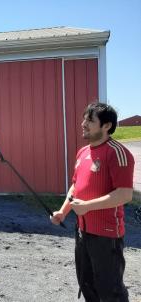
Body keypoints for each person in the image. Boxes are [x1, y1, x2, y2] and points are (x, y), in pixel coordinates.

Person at [50, 102, 134, 301]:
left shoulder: (117, 152)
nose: (83, 123)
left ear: (106, 126)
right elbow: (75, 186)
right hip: (82, 233)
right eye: (84, 119)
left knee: (110, 291)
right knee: (87, 285)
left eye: (90, 120)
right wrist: (63, 211)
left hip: (106, 237)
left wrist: (87, 207)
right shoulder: (83, 152)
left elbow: (124, 194)